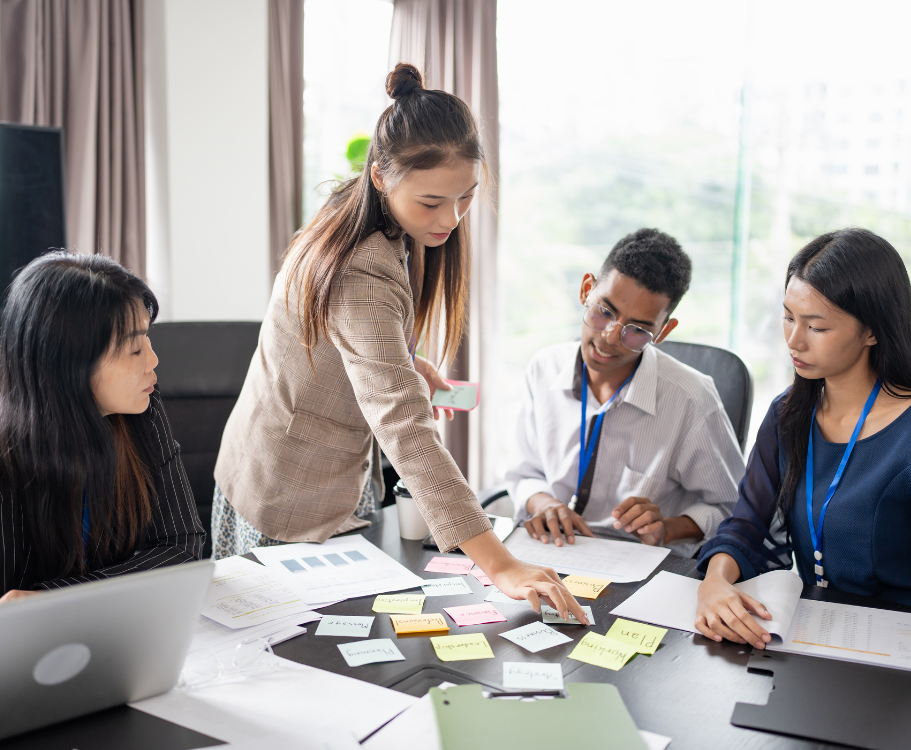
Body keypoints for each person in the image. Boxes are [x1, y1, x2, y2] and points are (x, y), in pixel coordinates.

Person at [213, 64, 585, 621]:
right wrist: (500, 565)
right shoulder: (363, 267)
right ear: (383, 177)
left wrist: (402, 360)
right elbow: (404, 424)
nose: (452, 220)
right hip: (290, 492)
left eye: (465, 198)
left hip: (306, 467)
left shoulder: (355, 208)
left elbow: (342, 333)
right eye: (433, 202)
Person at [696, 228, 911, 650]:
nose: (794, 340)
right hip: (810, 634)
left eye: (816, 326)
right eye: (789, 317)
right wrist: (714, 582)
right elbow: (746, 524)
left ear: (872, 331)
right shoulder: (788, 414)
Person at [505, 228, 744, 558]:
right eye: (604, 312)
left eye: (638, 330)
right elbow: (524, 472)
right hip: (551, 550)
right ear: (586, 289)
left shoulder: (690, 398)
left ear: (662, 332)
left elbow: (732, 507)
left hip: (638, 566)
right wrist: (542, 502)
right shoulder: (544, 368)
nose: (610, 337)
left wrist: (667, 528)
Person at [0, 252, 205, 603]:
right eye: (133, 348)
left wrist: (53, 598)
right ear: (69, 364)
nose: (153, 360)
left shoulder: (142, 408)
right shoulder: (9, 453)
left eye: (148, 340)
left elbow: (183, 547)